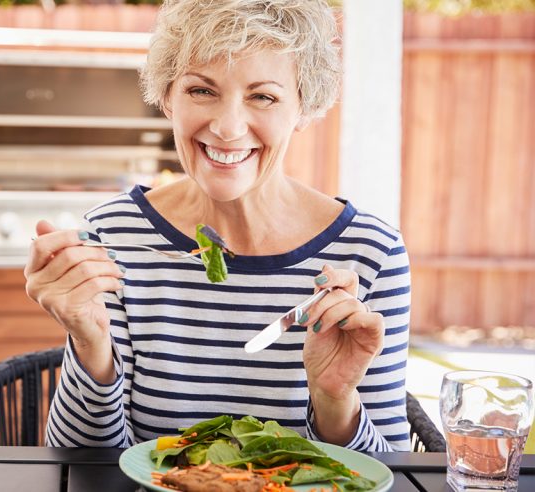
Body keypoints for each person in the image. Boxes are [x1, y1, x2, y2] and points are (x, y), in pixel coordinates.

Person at [25, 0, 411, 452]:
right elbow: (82, 467)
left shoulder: (370, 252)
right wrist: (90, 347)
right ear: (168, 96)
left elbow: (394, 476)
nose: (227, 128)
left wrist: (334, 402)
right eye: (202, 91)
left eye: (262, 96)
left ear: (304, 107)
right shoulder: (112, 236)